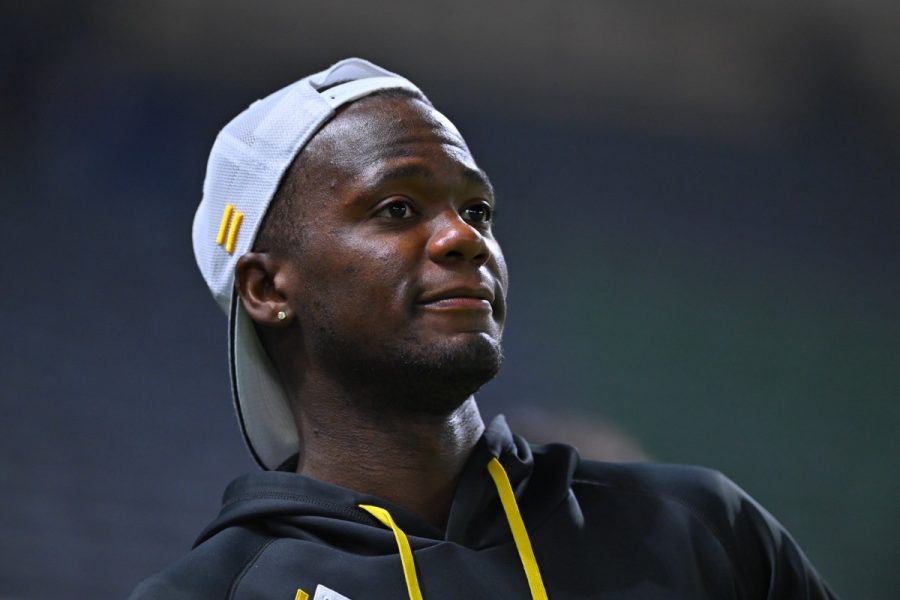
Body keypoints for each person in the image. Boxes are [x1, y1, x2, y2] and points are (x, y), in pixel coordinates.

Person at [130, 58, 837, 600]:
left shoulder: (699, 531)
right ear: (266, 288)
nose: (464, 237)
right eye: (398, 209)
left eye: (478, 211)